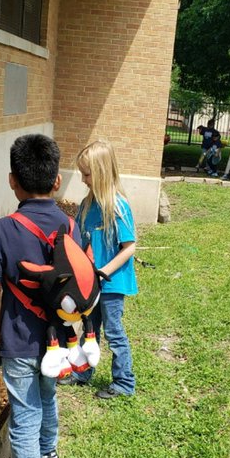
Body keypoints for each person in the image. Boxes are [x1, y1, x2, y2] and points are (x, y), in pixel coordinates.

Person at [0, 133, 72, 458]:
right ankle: (48, 455)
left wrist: (0, 330)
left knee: (25, 414)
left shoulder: (3, 230)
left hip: (19, 340)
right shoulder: (69, 223)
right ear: (57, 181)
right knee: (47, 395)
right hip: (58, 340)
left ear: (12, 180)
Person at [68, 140, 137, 398]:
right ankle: (84, 372)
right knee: (89, 329)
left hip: (112, 284)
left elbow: (129, 247)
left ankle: (124, 383)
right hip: (92, 285)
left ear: (100, 173)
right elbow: (78, 243)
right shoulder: (87, 206)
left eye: (86, 174)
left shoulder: (118, 207)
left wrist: (103, 271)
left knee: (114, 333)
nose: (83, 180)